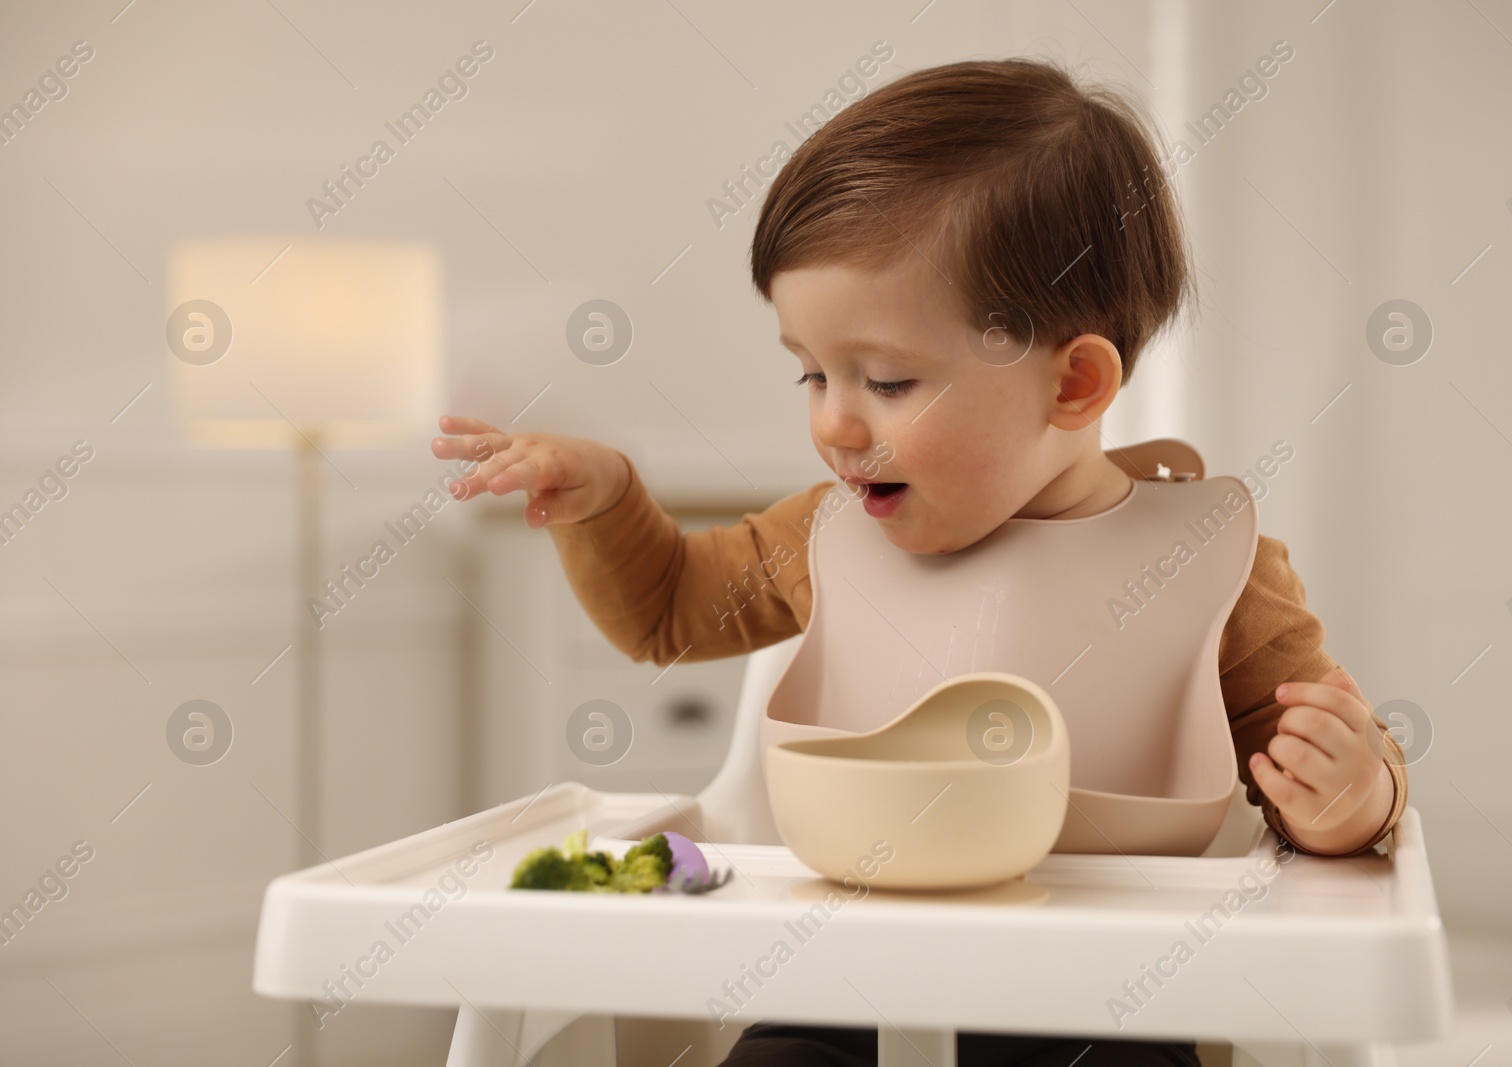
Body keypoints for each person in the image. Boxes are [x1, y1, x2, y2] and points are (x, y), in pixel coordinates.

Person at [433, 55, 1408, 1067]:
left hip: (1102, 1011)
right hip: (839, 993)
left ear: (1073, 381)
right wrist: (611, 500)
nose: (832, 420)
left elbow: (1317, 767)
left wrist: (1352, 800)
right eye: (810, 371)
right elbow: (669, 612)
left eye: (888, 379)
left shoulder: (1205, 563)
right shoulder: (826, 536)